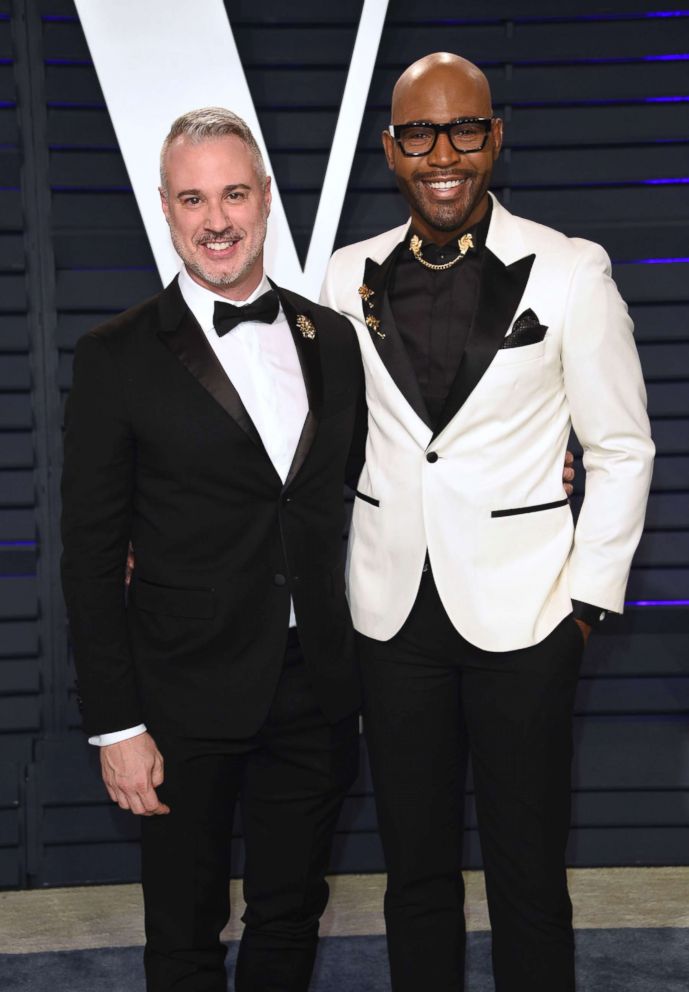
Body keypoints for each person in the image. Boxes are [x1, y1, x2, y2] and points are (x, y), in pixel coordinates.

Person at [321, 53, 654, 992]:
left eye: (463, 129)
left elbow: (622, 447)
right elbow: (321, 444)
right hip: (388, 617)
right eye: (419, 133)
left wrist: (583, 607)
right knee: (414, 876)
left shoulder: (571, 269)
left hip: (528, 615)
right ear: (390, 148)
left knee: (527, 876)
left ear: (493, 138)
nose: (443, 154)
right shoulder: (342, 278)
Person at [60, 107, 364, 992]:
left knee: (289, 915)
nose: (216, 219)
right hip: (180, 693)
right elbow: (89, 552)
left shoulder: (330, 340)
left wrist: (547, 465)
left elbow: (377, 480)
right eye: (194, 199)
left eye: (234, 193)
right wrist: (117, 725)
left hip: (315, 683)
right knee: (184, 933)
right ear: (165, 208)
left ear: (266, 199)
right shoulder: (114, 355)